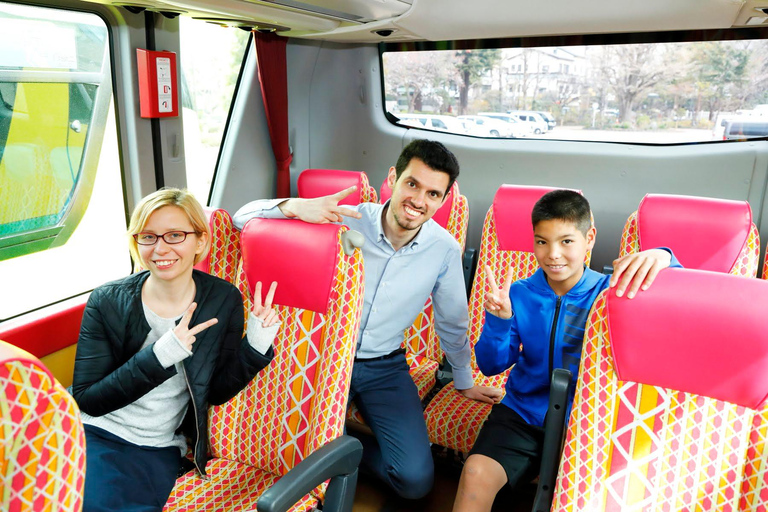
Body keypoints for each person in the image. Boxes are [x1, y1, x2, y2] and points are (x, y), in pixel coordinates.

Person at [233, 139, 502, 500]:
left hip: (384, 367)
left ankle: (345, 452)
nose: (419, 201)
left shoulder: (445, 249)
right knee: (282, 458)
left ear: (443, 199)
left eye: (433, 194)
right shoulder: (341, 220)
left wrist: (464, 380)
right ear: (393, 178)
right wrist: (297, 207)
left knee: (415, 482)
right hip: (321, 358)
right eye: (412, 184)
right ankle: (325, 449)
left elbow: (452, 322)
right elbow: (241, 219)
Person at [452, 189, 681, 512]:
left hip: (585, 420)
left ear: (590, 239)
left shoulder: (612, 292)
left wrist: (664, 256)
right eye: (542, 242)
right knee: (474, 472)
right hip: (521, 414)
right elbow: (491, 365)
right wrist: (499, 320)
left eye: (566, 241)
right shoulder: (519, 292)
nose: (553, 254)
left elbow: (681, 295)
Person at [72, 188, 279, 512]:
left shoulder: (223, 300)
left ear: (199, 240)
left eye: (175, 235)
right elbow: (88, 400)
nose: (160, 248)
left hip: (156, 445)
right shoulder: (108, 300)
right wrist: (160, 355)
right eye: (148, 237)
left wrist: (255, 345)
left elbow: (216, 391)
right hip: (95, 431)